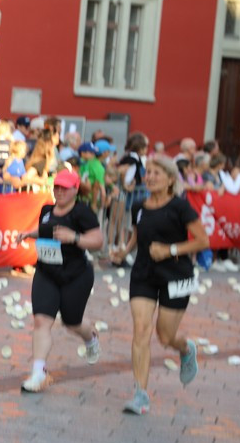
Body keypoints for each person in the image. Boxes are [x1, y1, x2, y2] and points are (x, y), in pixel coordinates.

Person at [110, 156, 209, 415]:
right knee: (141, 330)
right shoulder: (140, 206)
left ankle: (185, 349)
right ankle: (140, 394)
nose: (150, 177)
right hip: (143, 273)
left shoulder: (180, 207)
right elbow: (137, 234)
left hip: (176, 275)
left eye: (156, 173)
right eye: (148, 172)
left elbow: (202, 241)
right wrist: (124, 252)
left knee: (165, 337)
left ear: (170, 180)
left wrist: (169, 250)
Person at [13, 170, 104, 393]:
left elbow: (98, 241)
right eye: (56, 187)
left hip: (76, 275)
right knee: (42, 321)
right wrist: (28, 234)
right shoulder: (47, 209)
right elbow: (45, 230)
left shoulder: (83, 212)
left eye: (64, 188)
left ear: (75, 189)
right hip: (47, 272)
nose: (60, 191)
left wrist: (74, 238)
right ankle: (38, 373)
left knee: (72, 323)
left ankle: (90, 337)